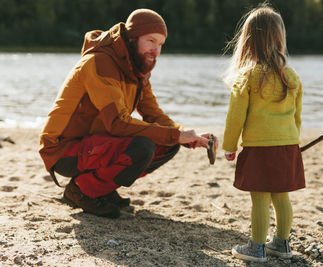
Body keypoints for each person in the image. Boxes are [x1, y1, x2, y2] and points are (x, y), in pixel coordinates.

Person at [39, 8, 216, 219]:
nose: (156, 50)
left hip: (95, 144)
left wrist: (185, 135)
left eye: (160, 44)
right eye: (151, 41)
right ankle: (81, 190)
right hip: (64, 150)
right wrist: (175, 135)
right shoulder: (100, 62)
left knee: (167, 143)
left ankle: (100, 187)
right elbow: (117, 123)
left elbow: (153, 114)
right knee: (143, 146)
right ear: (132, 38)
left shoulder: (136, 68)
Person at [222, 4, 305, 263]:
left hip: (259, 148)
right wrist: (293, 142)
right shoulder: (291, 76)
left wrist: (229, 145)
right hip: (287, 146)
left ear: (248, 42)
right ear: (280, 38)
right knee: (281, 195)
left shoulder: (247, 77)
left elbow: (235, 117)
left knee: (259, 197)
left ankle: (256, 247)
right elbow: (297, 117)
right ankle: (282, 243)